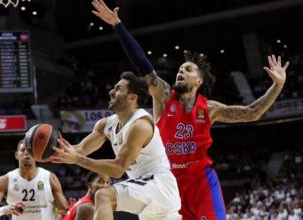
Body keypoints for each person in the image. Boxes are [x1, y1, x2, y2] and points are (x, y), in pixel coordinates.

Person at [91, 0, 290, 219]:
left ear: (198, 81)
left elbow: (252, 112)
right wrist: (118, 25)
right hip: (168, 184)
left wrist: (277, 85)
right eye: (179, 69)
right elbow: (144, 66)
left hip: (201, 183)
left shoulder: (211, 108)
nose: (180, 72)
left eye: (187, 70)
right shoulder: (165, 96)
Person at [51, 72, 181, 220]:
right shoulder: (106, 124)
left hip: (159, 185)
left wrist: (78, 159)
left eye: (118, 89)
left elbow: (118, 168)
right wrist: (54, 151)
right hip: (144, 190)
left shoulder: (140, 125)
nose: (111, 92)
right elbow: (80, 149)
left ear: (132, 98)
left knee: (104, 195)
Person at [0, 139, 69, 220]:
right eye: (23, 150)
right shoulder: (5, 180)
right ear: (16, 155)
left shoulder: (50, 178)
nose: (26, 152)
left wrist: (71, 209)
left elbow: (64, 213)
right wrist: (5, 209)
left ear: (36, 154)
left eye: (30, 151)